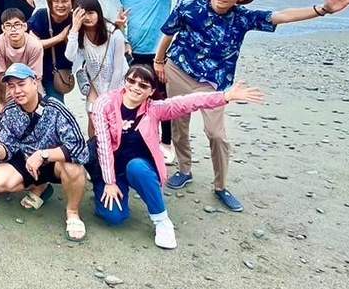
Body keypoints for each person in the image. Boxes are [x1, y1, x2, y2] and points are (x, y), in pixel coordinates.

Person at [157, 0, 349, 211]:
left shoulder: (242, 18)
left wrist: (322, 9)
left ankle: (220, 186)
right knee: (179, 127)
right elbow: (169, 33)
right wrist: (159, 61)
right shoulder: (188, 6)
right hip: (179, 70)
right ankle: (184, 170)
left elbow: (280, 16)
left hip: (214, 82)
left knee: (216, 135)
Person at [90, 65, 265, 248]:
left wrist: (225, 96)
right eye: (131, 81)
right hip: (111, 169)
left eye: (143, 85)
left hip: (139, 165)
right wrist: (109, 183)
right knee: (115, 217)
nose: (135, 87)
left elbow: (187, 102)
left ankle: (162, 221)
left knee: (137, 168)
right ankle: (101, 187)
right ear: (125, 81)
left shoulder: (154, 109)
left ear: (151, 91)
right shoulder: (106, 103)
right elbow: (103, 146)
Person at [110, 0, 200, 159]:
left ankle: (166, 143)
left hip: (160, 55)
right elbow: (104, 1)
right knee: (135, 97)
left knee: (163, 98)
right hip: (134, 54)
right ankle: (137, 139)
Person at [0, 63, 90, 242]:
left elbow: (80, 147)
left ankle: (73, 212)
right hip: (27, 162)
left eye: (21, 84)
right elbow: (8, 148)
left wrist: (43, 154)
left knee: (74, 168)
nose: (16, 90)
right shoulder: (10, 111)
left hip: (54, 163)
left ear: (35, 82)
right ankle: (39, 187)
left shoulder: (55, 108)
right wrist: (0, 150)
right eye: (11, 86)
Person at [70, 0, 129, 113]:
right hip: (95, 84)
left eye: (91, 13)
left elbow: (118, 70)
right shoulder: (78, 35)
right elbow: (70, 57)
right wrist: (74, 29)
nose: (87, 17)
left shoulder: (114, 34)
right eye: (82, 14)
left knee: (113, 119)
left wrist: (108, 98)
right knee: (92, 116)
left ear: (98, 13)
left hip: (118, 85)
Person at [28, 0, 78, 97]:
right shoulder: (41, 15)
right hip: (37, 70)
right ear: (50, 2)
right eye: (56, 1)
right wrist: (60, 38)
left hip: (60, 74)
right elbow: (33, 45)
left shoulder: (75, 19)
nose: (60, 5)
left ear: (72, 3)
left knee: (56, 105)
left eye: (65, 1)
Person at [0, 9, 45, 103]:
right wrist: (2, 103)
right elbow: (0, 76)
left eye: (17, 24)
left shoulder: (35, 45)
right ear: (3, 28)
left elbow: (35, 78)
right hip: (7, 82)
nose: (13, 29)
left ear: (25, 26)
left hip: (28, 82)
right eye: (8, 25)